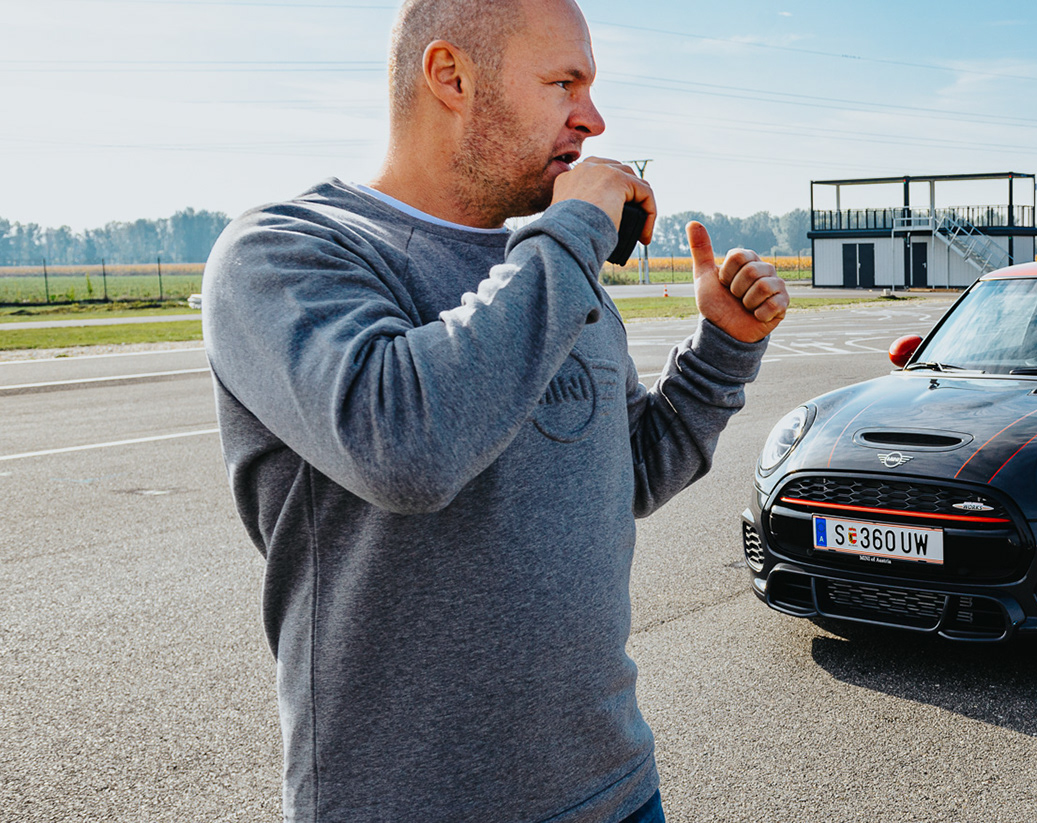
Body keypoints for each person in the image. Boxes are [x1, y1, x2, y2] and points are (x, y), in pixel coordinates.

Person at [200, 1, 787, 820]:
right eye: (564, 83)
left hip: (617, 789)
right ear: (451, 77)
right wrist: (574, 232)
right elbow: (407, 445)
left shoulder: (553, 265)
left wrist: (724, 347)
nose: (594, 118)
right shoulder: (287, 252)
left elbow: (628, 472)